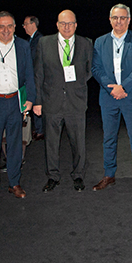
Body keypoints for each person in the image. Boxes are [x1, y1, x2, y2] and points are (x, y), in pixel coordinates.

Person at [0, 11, 35, 205]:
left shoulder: (23, 46)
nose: (5, 30)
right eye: (1, 26)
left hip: (14, 102)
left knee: (14, 145)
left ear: (14, 27)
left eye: (9, 26)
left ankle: (14, 183)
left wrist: (30, 99)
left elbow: (29, 74)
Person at [91, 4, 132, 193]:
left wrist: (123, 87)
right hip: (109, 98)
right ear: (110, 20)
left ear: (129, 20)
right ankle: (109, 175)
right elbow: (96, 69)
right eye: (115, 18)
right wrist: (112, 89)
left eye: (123, 18)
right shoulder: (99, 42)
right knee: (108, 138)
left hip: (131, 96)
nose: (119, 21)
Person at [33, 10, 93, 192]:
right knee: (51, 143)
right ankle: (53, 176)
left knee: (79, 142)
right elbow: (38, 74)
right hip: (52, 102)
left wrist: (76, 87)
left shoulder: (86, 43)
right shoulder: (44, 43)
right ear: (57, 25)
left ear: (76, 25)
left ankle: (79, 176)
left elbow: (89, 70)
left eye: (70, 23)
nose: (67, 27)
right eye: (63, 23)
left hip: (76, 102)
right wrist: (37, 101)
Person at [23, 15, 44, 140]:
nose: (24, 27)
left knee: (37, 101)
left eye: (25, 24)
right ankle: (37, 129)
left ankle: (40, 130)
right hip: (30, 76)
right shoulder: (29, 40)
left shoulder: (40, 40)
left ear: (33, 24)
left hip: (37, 76)